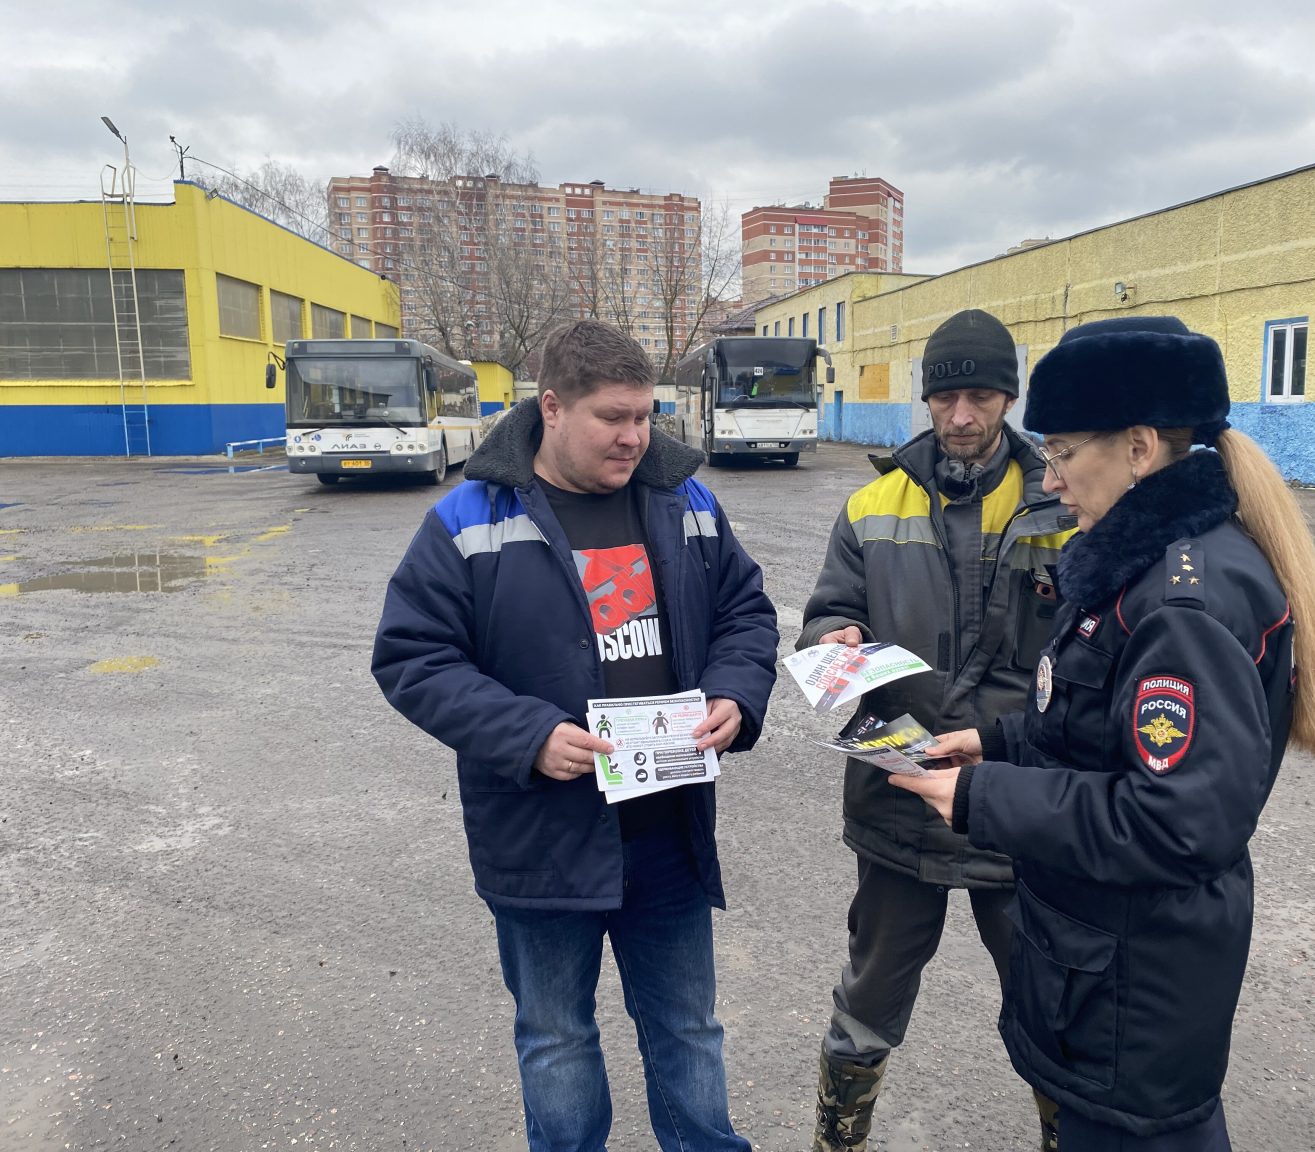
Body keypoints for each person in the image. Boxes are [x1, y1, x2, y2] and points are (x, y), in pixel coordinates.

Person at [893, 316, 1315, 1150]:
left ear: (1140, 449)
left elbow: (1174, 821)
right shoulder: (1138, 565)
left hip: (1135, 987)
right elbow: (1098, 728)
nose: (1050, 479)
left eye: (1063, 453)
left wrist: (981, 797)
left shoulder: (1182, 602)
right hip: (1105, 967)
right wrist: (996, 745)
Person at [372, 319, 779, 1152]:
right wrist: (528, 735)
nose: (635, 437)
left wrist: (736, 693)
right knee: (556, 1038)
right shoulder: (468, 518)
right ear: (552, 408)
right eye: (613, 418)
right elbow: (413, 658)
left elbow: (745, 611)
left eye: (645, 416)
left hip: (666, 830)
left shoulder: (687, 501)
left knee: (689, 1029)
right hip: (541, 838)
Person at [799, 308, 1074, 1151]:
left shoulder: (1063, 500)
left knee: (1054, 1004)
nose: (960, 416)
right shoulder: (871, 504)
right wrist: (833, 638)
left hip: (1020, 802)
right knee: (869, 998)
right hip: (900, 794)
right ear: (925, 400)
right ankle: (838, 1138)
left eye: (980, 396)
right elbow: (827, 611)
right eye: (945, 397)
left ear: (1009, 398)